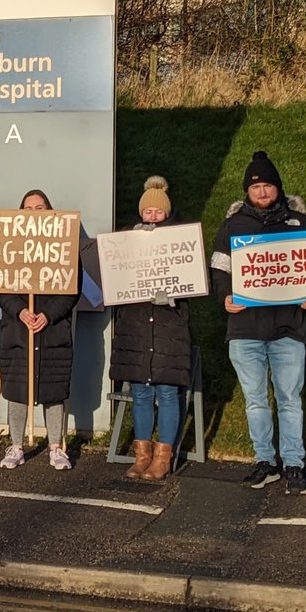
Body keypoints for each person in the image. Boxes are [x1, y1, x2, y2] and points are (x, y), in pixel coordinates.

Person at [211, 151, 306, 495]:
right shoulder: (232, 226)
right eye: (256, 186)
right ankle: (264, 461)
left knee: (289, 398)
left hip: (289, 327)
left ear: (278, 188)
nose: (262, 191)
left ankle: (294, 464)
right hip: (245, 330)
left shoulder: (301, 224)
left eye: (268, 185)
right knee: (254, 399)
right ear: (247, 190)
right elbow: (218, 271)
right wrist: (224, 298)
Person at [110, 177, 191, 480]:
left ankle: (163, 458)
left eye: (159, 212)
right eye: (148, 212)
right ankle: (142, 455)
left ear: (167, 213)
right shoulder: (127, 240)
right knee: (141, 392)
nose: (153, 216)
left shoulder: (182, 242)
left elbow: (192, 279)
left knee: (168, 392)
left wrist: (172, 295)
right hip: (136, 326)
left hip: (169, 328)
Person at [0, 189, 80, 470]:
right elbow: (0, 287)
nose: (34, 213)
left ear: (49, 211)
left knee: (54, 390)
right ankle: (16, 445)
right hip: (18, 331)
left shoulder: (65, 244)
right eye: (28, 208)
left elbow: (72, 289)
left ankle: (56, 446)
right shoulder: (6, 245)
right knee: (17, 388)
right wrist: (20, 310)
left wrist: (48, 315)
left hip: (52, 331)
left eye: (40, 208)